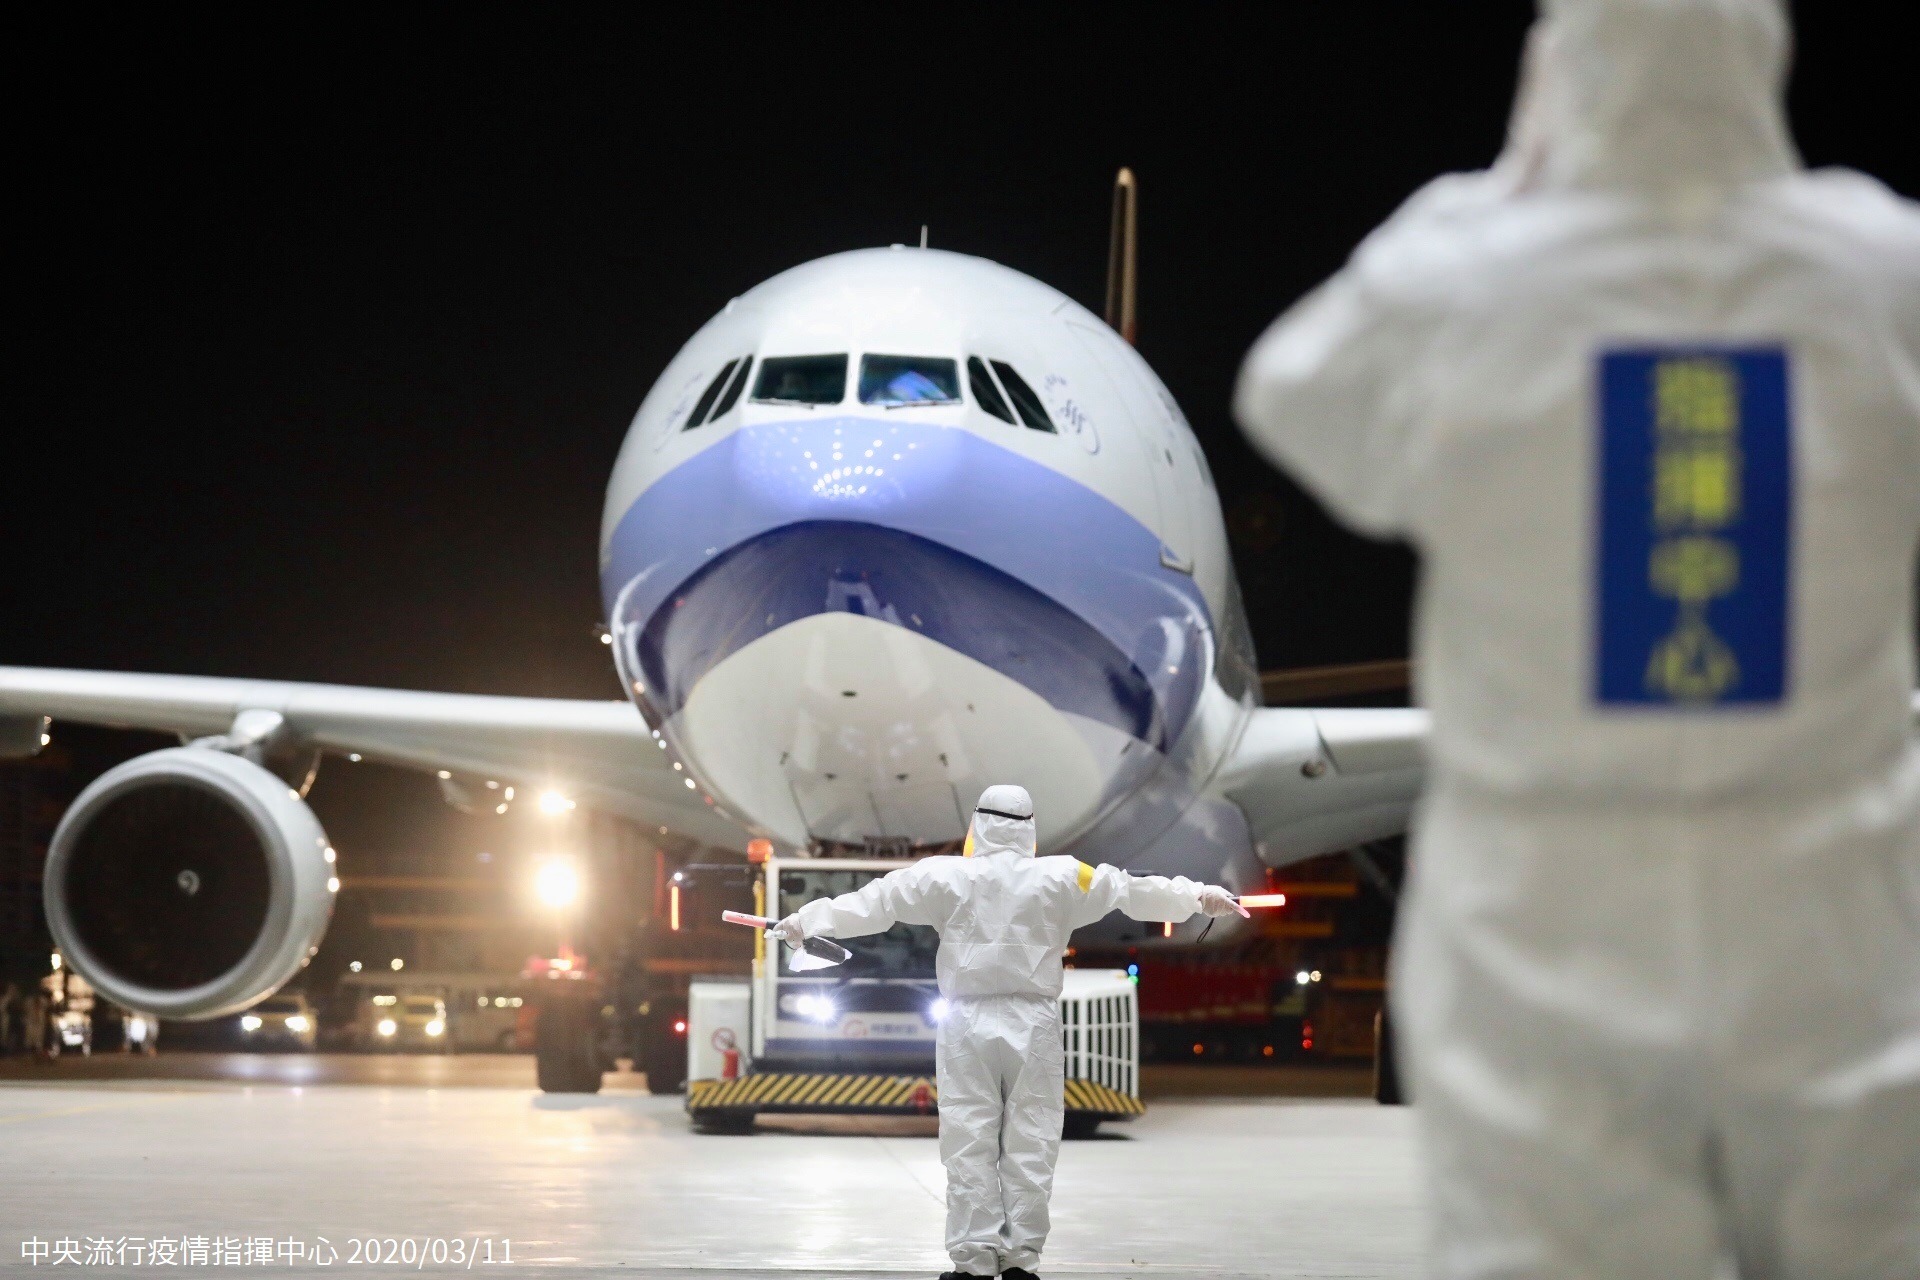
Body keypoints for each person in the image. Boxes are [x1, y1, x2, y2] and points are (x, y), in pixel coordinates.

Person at [1234, 1, 1920, 1275]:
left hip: (1550, 927)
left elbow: (1296, 393)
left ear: (1564, 61)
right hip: (1831, 921)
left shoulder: (1476, 276)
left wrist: (1500, 194)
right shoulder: (1879, 267)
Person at [773, 784, 1244, 1280]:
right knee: (1032, 1140)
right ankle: (1022, 1259)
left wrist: (805, 921)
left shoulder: (943, 875)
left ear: (977, 824)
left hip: (965, 1021)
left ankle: (974, 1258)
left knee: (968, 1140)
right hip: (1034, 1022)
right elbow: (1128, 889)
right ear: (1030, 828)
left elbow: (876, 902)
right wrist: (1199, 897)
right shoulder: (1065, 875)